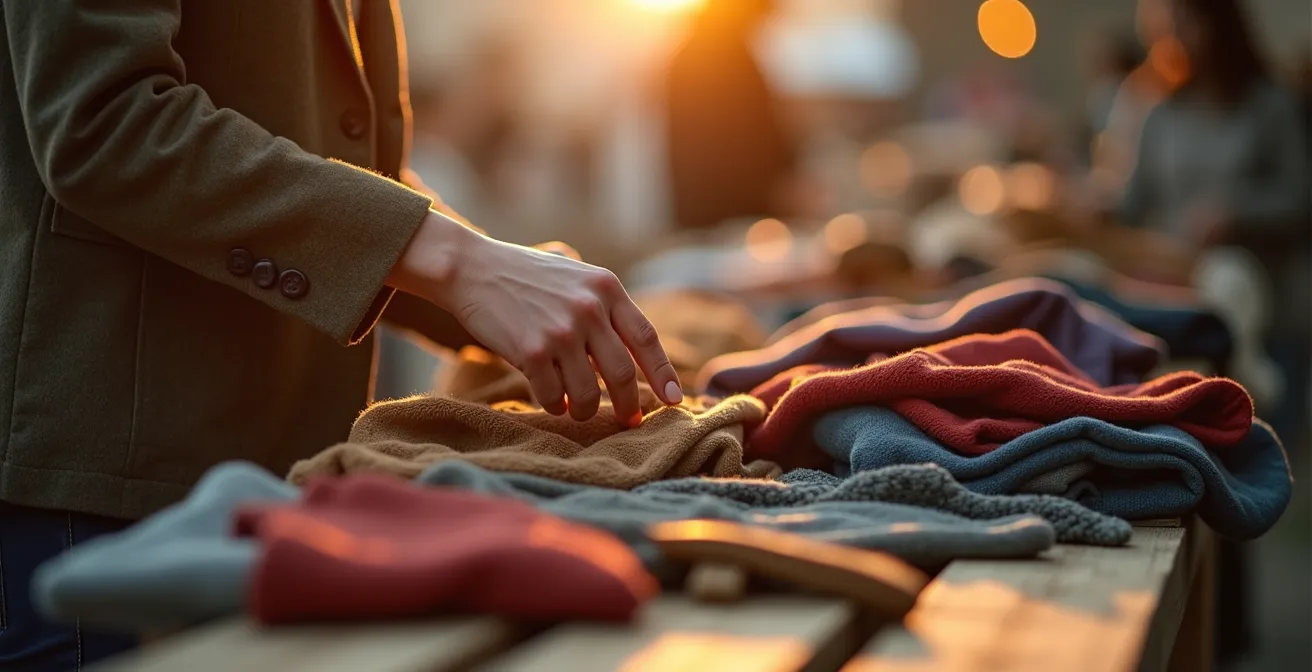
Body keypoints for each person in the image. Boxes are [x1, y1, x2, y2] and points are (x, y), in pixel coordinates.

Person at [0, 1, 682, 668]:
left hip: (283, 471)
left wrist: (507, 284)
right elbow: (106, 122)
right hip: (105, 482)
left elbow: (347, 169)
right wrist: (467, 263)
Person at [663, 0, 800, 231]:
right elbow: (743, 138)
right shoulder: (713, 57)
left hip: (723, 215)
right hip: (724, 218)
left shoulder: (726, 52)